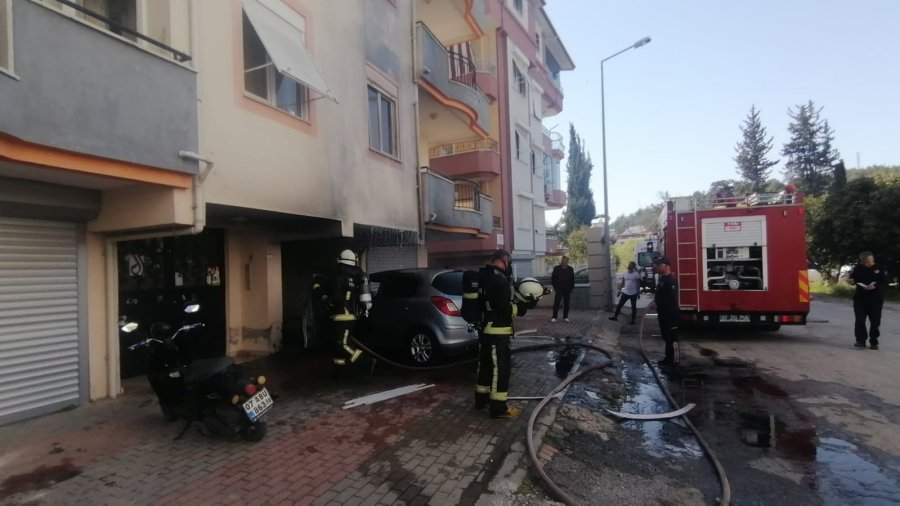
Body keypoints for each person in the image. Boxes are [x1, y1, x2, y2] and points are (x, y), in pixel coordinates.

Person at [474, 249, 529, 419]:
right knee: (501, 369)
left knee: (485, 366)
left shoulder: (483, 276)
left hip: (485, 330)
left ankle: (481, 399)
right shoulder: (500, 280)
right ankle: (498, 407)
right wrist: (520, 308)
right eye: (509, 262)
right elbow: (504, 309)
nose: (509, 266)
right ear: (504, 260)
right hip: (498, 333)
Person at [325, 249, 370, 367]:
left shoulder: (339, 277)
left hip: (341, 317)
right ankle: (339, 369)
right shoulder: (355, 277)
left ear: (340, 260)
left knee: (342, 345)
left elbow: (336, 298)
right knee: (341, 345)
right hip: (352, 316)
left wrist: (327, 302)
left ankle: (366, 362)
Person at [846, 251, 887, 350]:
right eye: (866, 262)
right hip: (860, 299)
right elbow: (853, 279)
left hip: (876, 299)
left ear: (873, 259)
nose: (868, 264)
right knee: (860, 321)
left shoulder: (880, 268)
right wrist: (851, 281)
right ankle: (860, 341)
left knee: (875, 322)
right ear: (862, 261)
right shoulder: (857, 268)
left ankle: (874, 342)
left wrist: (875, 286)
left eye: (870, 261)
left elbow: (884, 283)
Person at [647, 256, 679, 366]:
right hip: (663, 314)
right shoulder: (662, 279)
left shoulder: (671, 280)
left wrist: (658, 304)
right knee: (666, 337)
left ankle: (675, 361)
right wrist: (654, 302)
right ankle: (668, 358)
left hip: (671, 314)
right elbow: (661, 295)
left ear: (666, 266)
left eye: (659, 265)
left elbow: (671, 298)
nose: (656, 266)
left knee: (672, 338)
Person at [550, 255, 575, 322]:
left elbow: (572, 279)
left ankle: (565, 317)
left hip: (567, 289)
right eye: (563, 260)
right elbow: (553, 279)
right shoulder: (556, 268)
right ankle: (554, 317)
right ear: (561, 261)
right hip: (559, 288)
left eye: (565, 260)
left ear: (567, 261)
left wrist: (571, 288)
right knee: (556, 303)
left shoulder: (570, 269)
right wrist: (555, 287)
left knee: (566, 303)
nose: (564, 262)